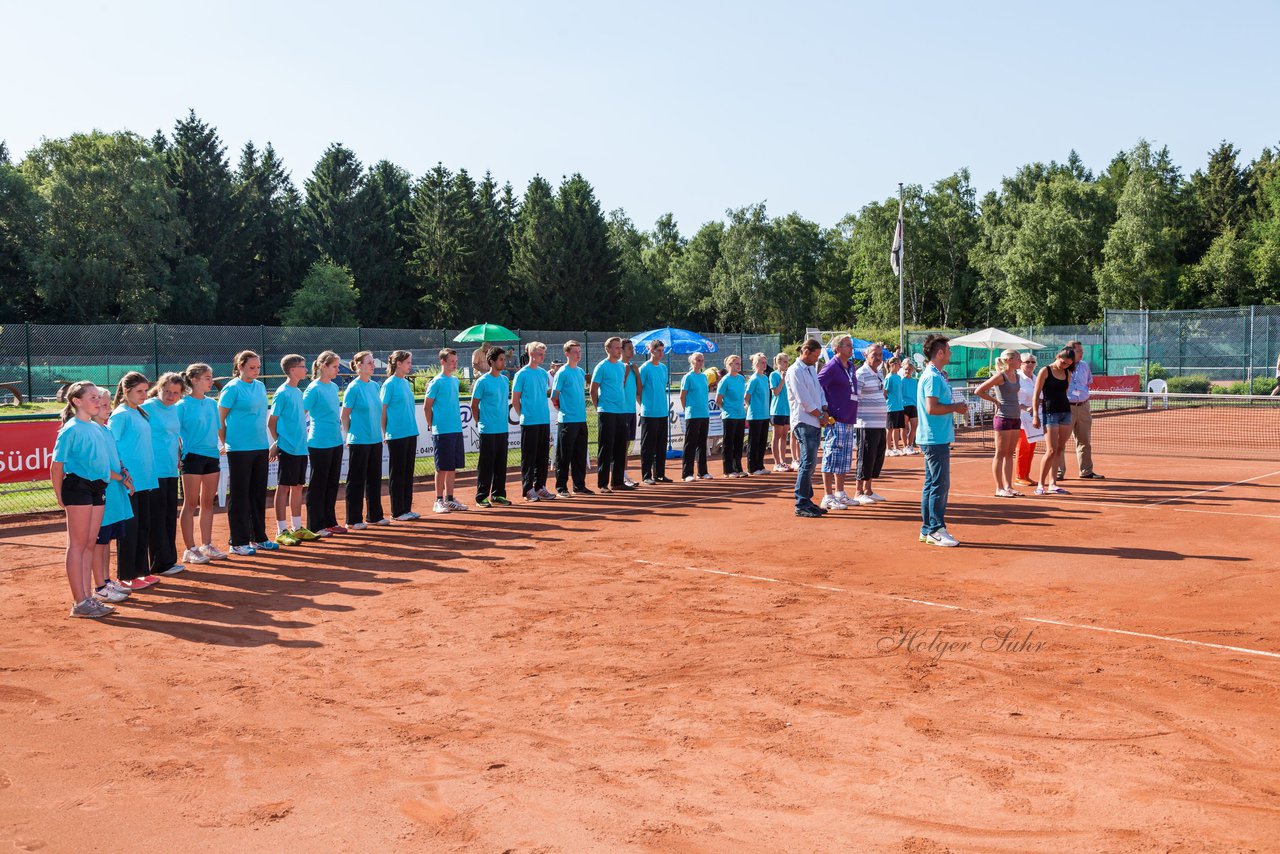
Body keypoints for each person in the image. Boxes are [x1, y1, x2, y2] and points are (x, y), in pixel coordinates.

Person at [51, 382, 115, 617]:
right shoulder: (71, 429)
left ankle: (88, 597)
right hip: (77, 488)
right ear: (77, 401)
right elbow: (56, 467)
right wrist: (60, 497)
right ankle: (79, 602)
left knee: (89, 543)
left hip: (97, 489)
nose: (98, 401)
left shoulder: (96, 428)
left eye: (98, 397)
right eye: (93, 398)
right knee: (77, 545)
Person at [219, 351, 276, 555]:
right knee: (240, 495)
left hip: (260, 446)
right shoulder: (232, 388)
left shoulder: (260, 386)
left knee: (258, 494)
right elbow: (220, 420)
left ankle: (258, 537)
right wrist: (227, 443)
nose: (256, 371)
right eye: (252, 367)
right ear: (240, 366)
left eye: (258, 367)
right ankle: (238, 541)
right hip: (239, 449)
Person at [111, 371, 164, 585]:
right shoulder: (120, 414)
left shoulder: (139, 412)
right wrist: (123, 475)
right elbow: (111, 446)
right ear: (126, 391)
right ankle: (126, 576)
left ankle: (142, 570)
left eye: (145, 390)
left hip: (146, 480)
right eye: (139, 391)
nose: (144, 395)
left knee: (143, 526)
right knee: (129, 530)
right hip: (129, 482)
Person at [917, 334, 967, 546]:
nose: (951, 353)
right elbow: (932, 408)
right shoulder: (933, 377)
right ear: (940, 353)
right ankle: (936, 529)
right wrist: (956, 408)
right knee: (939, 485)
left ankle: (927, 529)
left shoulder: (936, 375)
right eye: (948, 350)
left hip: (935, 437)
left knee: (932, 484)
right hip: (934, 438)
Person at [175, 363, 224, 563]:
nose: (211, 381)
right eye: (207, 378)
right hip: (192, 457)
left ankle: (207, 544)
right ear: (194, 380)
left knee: (207, 503)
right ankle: (190, 549)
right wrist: (178, 454)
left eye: (211, 377)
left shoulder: (212, 403)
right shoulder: (181, 405)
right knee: (191, 503)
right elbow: (173, 433)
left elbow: (216, 429)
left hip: (212, 455)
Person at [91, 388, 135, 603]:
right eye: (105, 405)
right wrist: (119, 476)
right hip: (100, 496)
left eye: (109, 404)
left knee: (106, 541)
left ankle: (106, 580)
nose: (109, 409)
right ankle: (99, 586)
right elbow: (96, 467)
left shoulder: (106, 430)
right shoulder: (91, 431)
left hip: (114, 495)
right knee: (99, 543)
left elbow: (114, 458)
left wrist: (123, 471)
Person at [269, 354, 318, 544]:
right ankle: (281, 531)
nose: (306, 369)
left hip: (300, 448)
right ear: (292, 369)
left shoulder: (298, 392)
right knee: (283, 488)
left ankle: (296, 528)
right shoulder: (282, 392)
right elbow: (271, 422)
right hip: (288, 448)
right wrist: (279, 443)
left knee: (298, 487)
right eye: (303, 366)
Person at [141, 372, 185, 575]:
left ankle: (169, 560)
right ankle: (160, 563)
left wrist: (177, 452)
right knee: (157, 517)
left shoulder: (175, 409)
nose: (170, 396)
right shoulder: (147, 407)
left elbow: (174, 436)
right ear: (158, 388)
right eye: (167, 391)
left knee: (169, 516)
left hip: (170, 469)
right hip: (152, 471)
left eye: (175, 393)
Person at [342, 351, 387, 529]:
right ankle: (353, 520)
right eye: (369, 363)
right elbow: (344, 416)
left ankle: (375, 515)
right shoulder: (353, 388)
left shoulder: (375, 386)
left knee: (374, 479)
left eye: (372, 362)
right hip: (358, 440)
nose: (372, 365)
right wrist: (349, 436)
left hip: (375, 439)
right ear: (359, 366)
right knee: (356, 481)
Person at [786, 339, 829, 518]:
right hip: (803, 421)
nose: (816, 359)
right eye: (815, 356)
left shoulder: (811, 368)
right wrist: (820, 415)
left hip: (814, 420)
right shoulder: (794, 370)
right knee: (807, 463)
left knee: (810, 463)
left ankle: (806, 501)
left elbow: (819, 392)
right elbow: (803, 399)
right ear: (805, 352)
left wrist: (824, 409)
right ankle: (801, 503)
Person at [304, 351, 345, 536]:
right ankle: (315, 525)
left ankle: (330, 521)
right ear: (323, 367)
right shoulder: (313, 389)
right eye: (335, 366)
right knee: (318, 484)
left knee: (331, 483)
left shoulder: (333, 387)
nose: (338, 370)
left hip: (336, 440)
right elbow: (301, 413)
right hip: (319, 441)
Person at [975, 349, 1024, 498]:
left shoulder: (1016, 376)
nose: (1020, 361)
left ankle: (1009, 487)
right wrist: (995, 401)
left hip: (1016, 417)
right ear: (1009, 360)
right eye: (1018, 359)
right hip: (1003, 418)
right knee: (1000, 453)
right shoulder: (1000, 377)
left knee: (1010, 453)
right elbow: (979, 391)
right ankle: (999, 488)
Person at [424, 348, 468, 513]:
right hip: (441, 431)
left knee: (451, 467)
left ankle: (450, 499)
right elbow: (427, 407)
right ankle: (438, 500)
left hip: (456, 429)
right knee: (441, 467)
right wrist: (431, 425)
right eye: (451, 361)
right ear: (442, 361)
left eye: (456, 361)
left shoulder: (455, 380)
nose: (454, 364)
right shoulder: (436, 382)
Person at [817, 334, 858, 509]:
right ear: (837, 349)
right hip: (835, 419)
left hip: (848, 418)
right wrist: (823, 410)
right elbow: (817, 385)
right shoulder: (831, 366)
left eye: (851, 345)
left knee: (844, 459)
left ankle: (840, 493)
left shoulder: (850, 367)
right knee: (831, 456)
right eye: (848, 345)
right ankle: (828, 495)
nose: (851, 348)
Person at [513, 341, 555, 501]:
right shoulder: (521, 374)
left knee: (543, 456)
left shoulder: (543, 374)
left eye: (543, 353)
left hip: (543, 421)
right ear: (532, 354)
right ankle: (528, 489)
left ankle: (540, 487)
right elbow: (516, 400)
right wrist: (524, 415)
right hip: (529, 422)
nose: (543, 357)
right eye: (540, 354)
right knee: (529, 457)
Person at [382, 350, 420, 521]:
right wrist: (384, 433)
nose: (410, 365)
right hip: (396, 435)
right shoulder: (389, 384)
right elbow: (382, 411)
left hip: (411, 432)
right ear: (398, 363)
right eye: (408, 362)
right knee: (397, 474)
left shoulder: (405, 383)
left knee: (407, 472)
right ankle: (397, 511)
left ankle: (406, 509)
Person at [590, 336, 632, 492]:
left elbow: (621, 386)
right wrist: (599, 407)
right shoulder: (601, 366)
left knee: (621, 448)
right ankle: (602, 484)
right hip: (606, 412)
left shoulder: (622, 366)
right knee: (606, 448)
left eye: (620, 347)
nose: (619, 350)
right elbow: (593, 390)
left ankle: (618, 482)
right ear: (607, 349)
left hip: (621, 412)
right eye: (616, 347)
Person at [1032, 347, 1076, 496]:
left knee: (1060, 448)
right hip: (1049, 414)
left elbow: (1063, 393)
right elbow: (1036, 394)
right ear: (1057, 356)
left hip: (1065, 413)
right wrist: (1035, 416)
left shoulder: (1068, 373)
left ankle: (1053, 484)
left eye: (1068, 364)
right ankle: (1040, 484)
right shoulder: (1045, 371)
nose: (1064, 366)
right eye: (1063, 362)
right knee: (1050, 450)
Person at [472, 347, 512, 507]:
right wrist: (480, 422)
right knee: (486, 465)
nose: (504, 361)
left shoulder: (504, 380)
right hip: (487, 430)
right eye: (501, 359)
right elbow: (474, 405)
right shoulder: (482, 381)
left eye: (504, 358)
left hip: (503, 429)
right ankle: (481, 496)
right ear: (491, 362)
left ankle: (498, 494)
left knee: (501, 464)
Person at [1059, 339, 1104, 480]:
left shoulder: (1085, 366)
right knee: (1060, 442)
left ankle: (1086, 471)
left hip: (1084, 407)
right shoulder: (1061, 366)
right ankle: (1058, 472)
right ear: (1070, 351)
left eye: (1082, 351)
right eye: (1079, 351)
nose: (1081, 354)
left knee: (1085, 441)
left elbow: (1087, 383)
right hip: (1066, 408)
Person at [552, 340, 590, 497]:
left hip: (581, 420)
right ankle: (561, 487)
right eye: (575, 352)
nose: (578, 354)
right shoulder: (562, 372)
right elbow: (555, 396)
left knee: (580, 455)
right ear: (567, 354)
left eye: (580, 351)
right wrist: (563, 410)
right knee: (564, 456)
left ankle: (579, 486)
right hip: (567, 421)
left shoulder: (580, 372)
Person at [853, 342, 889, 504]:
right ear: (865, 356)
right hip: (865, 424)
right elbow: (854, 398)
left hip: (880, 423)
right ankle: (858, 492)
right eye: (874, 355)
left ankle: (868, 490)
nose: (878, 358)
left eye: (880, 355)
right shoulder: (860, 374)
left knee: (876, 457)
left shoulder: (879, 373)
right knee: (865, 457)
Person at [638, 341, 672, 484]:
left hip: (662, 412)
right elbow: (638, 391)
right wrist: (644, 406)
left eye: (662, 350)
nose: (660, 353)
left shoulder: (663, 368)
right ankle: (646, 475)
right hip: (649, 413)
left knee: (660, 445)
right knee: (648, 446)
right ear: (650, 350)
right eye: (657, 350)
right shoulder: (644, 368)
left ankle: (660, 474)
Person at [680, 352, 711, 482]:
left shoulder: (704, 377)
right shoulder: (688, 377)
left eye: (702, 360)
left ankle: (703, 472)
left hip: (704, 413)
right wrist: (687, 409)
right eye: (698, 360)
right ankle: (687, 473)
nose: (700, 362)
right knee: (690, 444)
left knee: (702, 443)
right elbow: (682, 396)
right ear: (692, 362)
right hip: (693, 414)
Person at [715, 354, 747, 477]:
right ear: (729, 365)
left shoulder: (741, 379)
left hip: (740, 415)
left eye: (739, 363)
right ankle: (728, 470)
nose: (739, 366)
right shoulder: (725, 380)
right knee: (729, 443)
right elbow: (718, 400)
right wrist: (727, 409)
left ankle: (738, 468)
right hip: (729, 416)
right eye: (736, 363)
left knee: (739, 442)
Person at [1014, 353, 1040, 487]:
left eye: (1032, 362)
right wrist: (1026, 407)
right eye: (1026, 362)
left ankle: (1026, 475)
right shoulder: (1017, 378)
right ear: (1020, 363)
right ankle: (1019, 476)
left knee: (1031, 448)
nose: (1030, 364)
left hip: (1035, 418)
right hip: (1021, 418)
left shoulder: (1036, 378)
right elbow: (1012, 399)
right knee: (1023, 448)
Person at [745, 353, 772, 475]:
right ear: (756, 364)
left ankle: (760, 466)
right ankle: (752, 467)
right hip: (755, 415)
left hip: (765, 415)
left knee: (762, 442)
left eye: (765, 362)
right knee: (754, 442)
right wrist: (751, 407)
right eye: (762, 362)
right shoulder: (754, 378)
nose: (764, 364)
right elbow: (747, 396)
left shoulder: (765, 378)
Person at [620, 339, 642, 487]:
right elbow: (617, 387)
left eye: (632, 348)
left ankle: (624, 474)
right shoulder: (619, 367)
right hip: (620, 412)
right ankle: (619, 476)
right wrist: (627, 373)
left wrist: (637, 373)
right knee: (621, 445)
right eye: (629, 348)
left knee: (626, 444)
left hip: (631, 410)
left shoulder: (633, 367)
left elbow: (639, 391)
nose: (632, 351)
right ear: (621, 350)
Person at [769, 353, 793, 472]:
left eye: (787, 362)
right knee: (776, 436)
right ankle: (776, 462)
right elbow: (776, 392)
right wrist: (783, 379)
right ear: (778, 362)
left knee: (784, 436)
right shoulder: (773, 375)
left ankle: (782, 462)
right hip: (777, 409)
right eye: (784, 362)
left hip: (787, 409)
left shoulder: (789, 374)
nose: (786, 364)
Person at [885, 356, 907, 456]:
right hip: (891, 407)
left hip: (899, 406)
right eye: (899, 364)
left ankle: (896, 448)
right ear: (892, 365)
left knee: (897, 427)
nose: (900, 366)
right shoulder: (888, 377)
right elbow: (885, 393)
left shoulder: (898, 377)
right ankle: (888, 448)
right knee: (889, 428)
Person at [900, 361, 920, 455]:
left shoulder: (915, 381)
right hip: (904, 406)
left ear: (912, 370)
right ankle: (905, 447)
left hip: (913, 406)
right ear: (903, 369)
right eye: (906, 369)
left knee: (914, 426)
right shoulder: (901, 381)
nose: (907, 371)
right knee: (904, 427)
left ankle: (910, 445)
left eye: (909, 369)